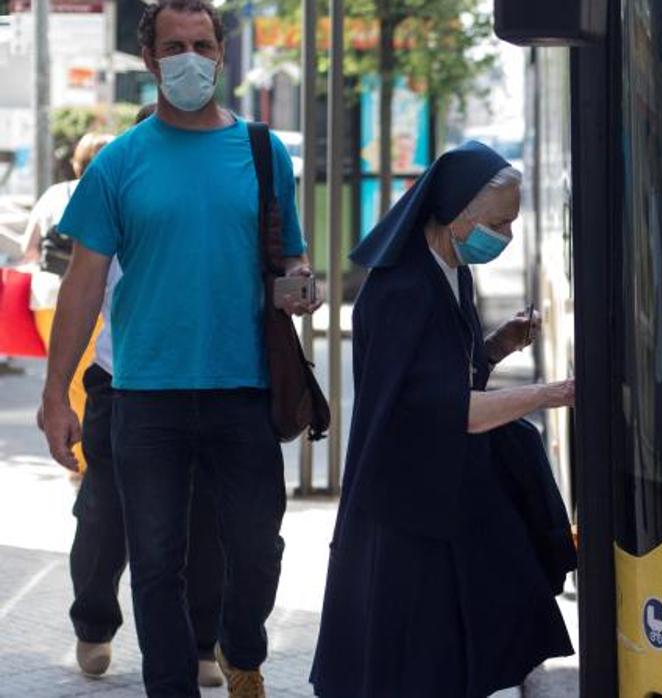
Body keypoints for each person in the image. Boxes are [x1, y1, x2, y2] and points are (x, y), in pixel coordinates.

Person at [38, 1, 315, 695]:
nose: (189, 57)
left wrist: (299, 285)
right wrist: (53, 398)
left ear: (222, 54)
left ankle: (242, 645)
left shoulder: (262, 150)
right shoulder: (120, 163)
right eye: (173, 45)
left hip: (243, 389)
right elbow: (80, 288)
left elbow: (294, 260)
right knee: (157, 562)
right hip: (144, 396)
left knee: (256, 549)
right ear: (150, 58)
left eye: (201, 43)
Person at [310, 141, 575, 697]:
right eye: (497, 224)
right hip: (409, 496)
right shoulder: (403, 289)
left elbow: (446, 373)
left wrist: (497, 345)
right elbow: (450, 410)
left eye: (510, 224)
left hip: (445, 480)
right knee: (414, 649)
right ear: (457, 215)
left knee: (500, 588)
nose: (503, 238)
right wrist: (553, 394)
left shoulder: (449, 269)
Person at [67, 103, 226, 689]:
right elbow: (83, 291)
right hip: (123, 378)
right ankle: (94, 624)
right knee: (107, 511)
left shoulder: (214, 193)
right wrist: (57, 392)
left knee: (204, 516)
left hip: (210, 382)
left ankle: (203, 640)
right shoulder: (115, 185)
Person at [21, 132, 113, 467]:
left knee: (68, 377)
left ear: (77, 163)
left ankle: (80, 459)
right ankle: (86, 459)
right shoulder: (114, 190)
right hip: (96, 300)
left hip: (48, 298)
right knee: (92, 373)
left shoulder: (54, 195)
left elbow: (28, 250)